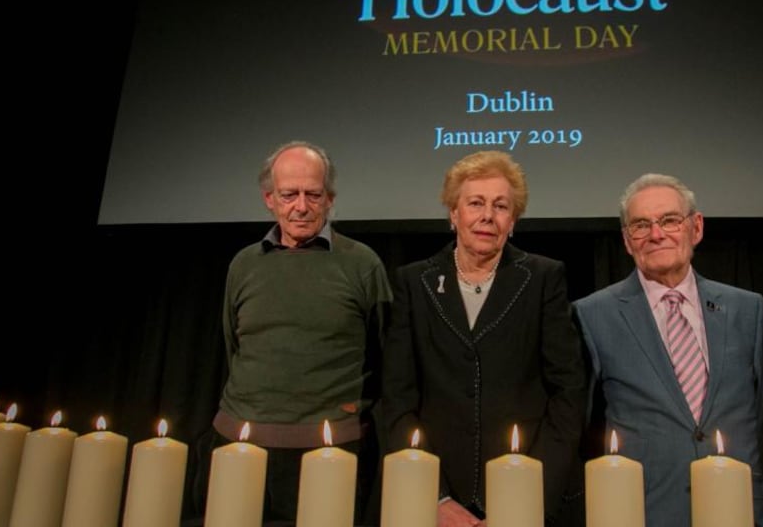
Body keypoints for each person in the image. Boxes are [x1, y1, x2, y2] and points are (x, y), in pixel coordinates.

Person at [382, 151, 587, 527]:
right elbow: (396, 400)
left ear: (513, 220)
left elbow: (568, 394)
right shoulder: (415, 282)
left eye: (501, 206)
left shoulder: (543, 278)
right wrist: (435, 497)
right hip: (435, 501)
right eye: (475, 203)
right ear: (453, 213)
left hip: (526, 495)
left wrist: (524, 495)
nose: (487, 216)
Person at [200, 141, 391, 523]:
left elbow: (383, 351)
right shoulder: (243, 264)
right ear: (269, 198)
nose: (301, 207)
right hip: (238, 445)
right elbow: (232, 344)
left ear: (330, 198)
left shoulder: (362, 264)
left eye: (313, 195)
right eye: (289, 195)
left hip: (330, 451)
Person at [573, 174, 763, 527]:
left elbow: (758, 410)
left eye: (669, 220)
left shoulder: (747, 310)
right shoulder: (592, 314)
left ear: (696, 227)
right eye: (640, 225)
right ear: (626, 240)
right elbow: (582, 423)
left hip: (738, 507)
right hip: (643, 511)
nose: (656, 234)